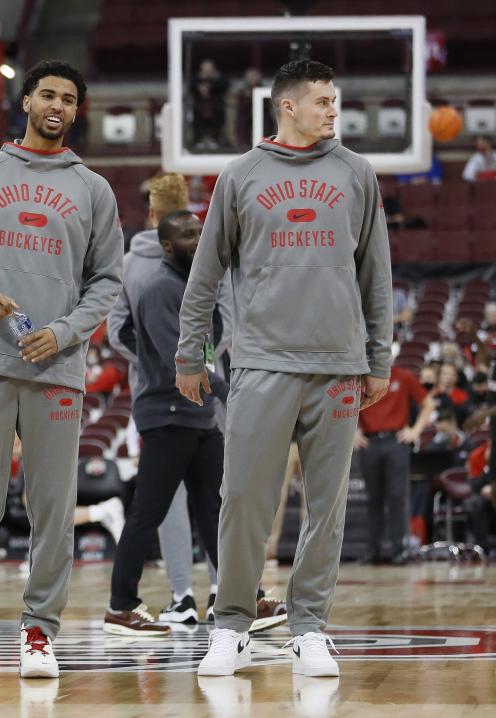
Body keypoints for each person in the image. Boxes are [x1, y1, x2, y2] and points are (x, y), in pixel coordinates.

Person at [176, 59, 393, 678]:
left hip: (338, 364)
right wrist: (191, 352)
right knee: (242, 496)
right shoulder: (241, 175)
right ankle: (232, 624)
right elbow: (205, 273)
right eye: (322, 100)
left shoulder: (356, 173)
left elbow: (376, 274)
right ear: (287, 107)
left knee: (326, 506)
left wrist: (378, 358)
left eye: (335, 100)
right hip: (262, 361)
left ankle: (310, 627)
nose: (333, 110)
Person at [0, 59, 123, 679]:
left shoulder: (93, 189)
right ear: (28, 101)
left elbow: (107, 281)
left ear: (76, 110)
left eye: (68, 97)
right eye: (47, 94)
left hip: (56, 368)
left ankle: (40, 632)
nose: (57, 104)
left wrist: (65, 332)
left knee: (53, 507)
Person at [102, 212, 227, 637]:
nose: (197, 239)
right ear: (167, 246)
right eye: (187, 235)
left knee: (215, 510)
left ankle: (236, 596)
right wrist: (230, 392)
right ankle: (121, 605)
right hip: (168, 416)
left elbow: (206, 348)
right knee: (147, 513)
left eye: (199, 231)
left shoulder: (196, 287)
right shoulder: (159, 288)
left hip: (199, 414)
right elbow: (183, 357)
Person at [355, 362, 435, 564]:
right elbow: (346, 402)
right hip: (370, 442)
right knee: (373, 498)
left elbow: (428, 404)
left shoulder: (404, 376)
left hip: (395, 442)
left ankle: (400, 551)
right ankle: (372, 552)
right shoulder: (362, 377)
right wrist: (353, 432)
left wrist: (415, 431)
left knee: (398, 497)